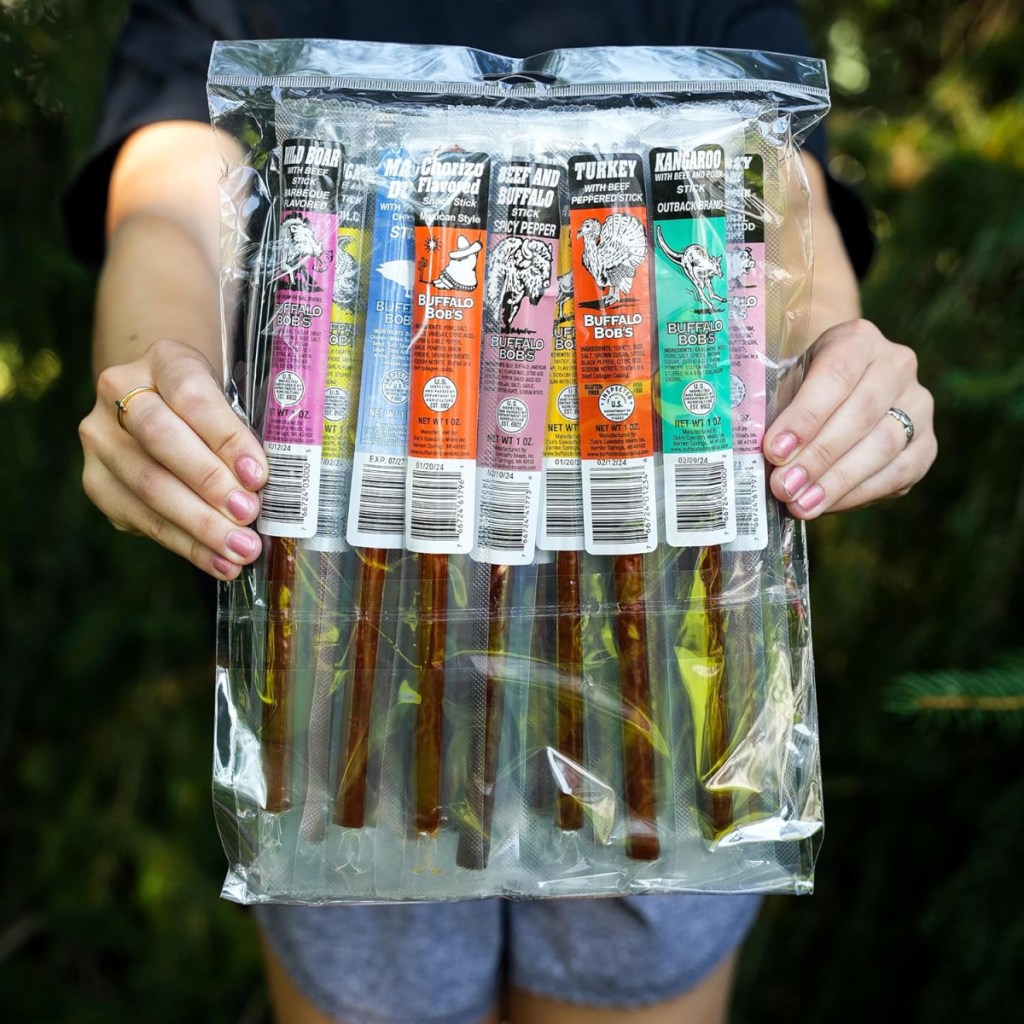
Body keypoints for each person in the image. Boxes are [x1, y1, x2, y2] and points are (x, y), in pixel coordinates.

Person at [68, 2, 937, 1022]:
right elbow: (168, 196)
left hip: (669, 651)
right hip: (340, 645)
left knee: (632, 951)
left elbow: (784, 217)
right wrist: (153, 373)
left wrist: (844, 362)